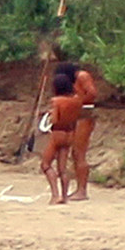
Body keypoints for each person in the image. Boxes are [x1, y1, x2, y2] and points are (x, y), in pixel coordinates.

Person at [55, 62, 98, 201]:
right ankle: (79, 188)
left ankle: (82, 190)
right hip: (78, 115)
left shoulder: (82, 76)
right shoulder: (75, 80)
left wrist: (77, 103)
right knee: (75, 152)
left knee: (79, 152)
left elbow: (92, 93)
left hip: (84, 115)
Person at [42, 74, 82, 205]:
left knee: (46, 164)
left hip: (57, 133)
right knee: (62, 168)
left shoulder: (56, 101)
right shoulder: (76, 101)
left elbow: (55, 120)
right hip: (70, 133)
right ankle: (64, 196)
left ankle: (55, 195)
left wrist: (49, 114)